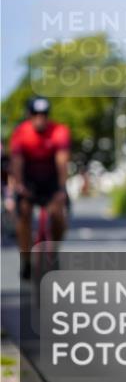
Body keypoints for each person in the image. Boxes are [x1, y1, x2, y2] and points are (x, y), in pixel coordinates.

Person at [8, 95, 72, 279]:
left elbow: (62, 162)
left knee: (58, 216)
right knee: (24, 215)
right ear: (29, 115)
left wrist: (61, 189)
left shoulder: (59, 131)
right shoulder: (21, 133)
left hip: (52, 181)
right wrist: (19, 186)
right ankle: (26, 259)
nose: (40, 118)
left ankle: (54, 252)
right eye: (35, 114)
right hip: (29, 181)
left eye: (44, 114)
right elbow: (17, 163)